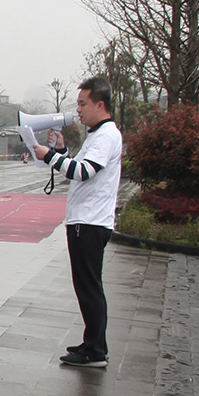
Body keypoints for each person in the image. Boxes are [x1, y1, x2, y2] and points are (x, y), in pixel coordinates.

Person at [33, 77, 122, 368]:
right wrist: (61, 152)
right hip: (86, 220)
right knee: (87, 285)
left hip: (90, 222)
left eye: (83, 104)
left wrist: (49, 157)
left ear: (100, 104)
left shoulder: (106, 135)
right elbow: (80, 167)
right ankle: (92, 342)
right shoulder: (98, 135)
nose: (79, 110)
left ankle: (95, 349)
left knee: (89, 286)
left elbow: (83, 172)